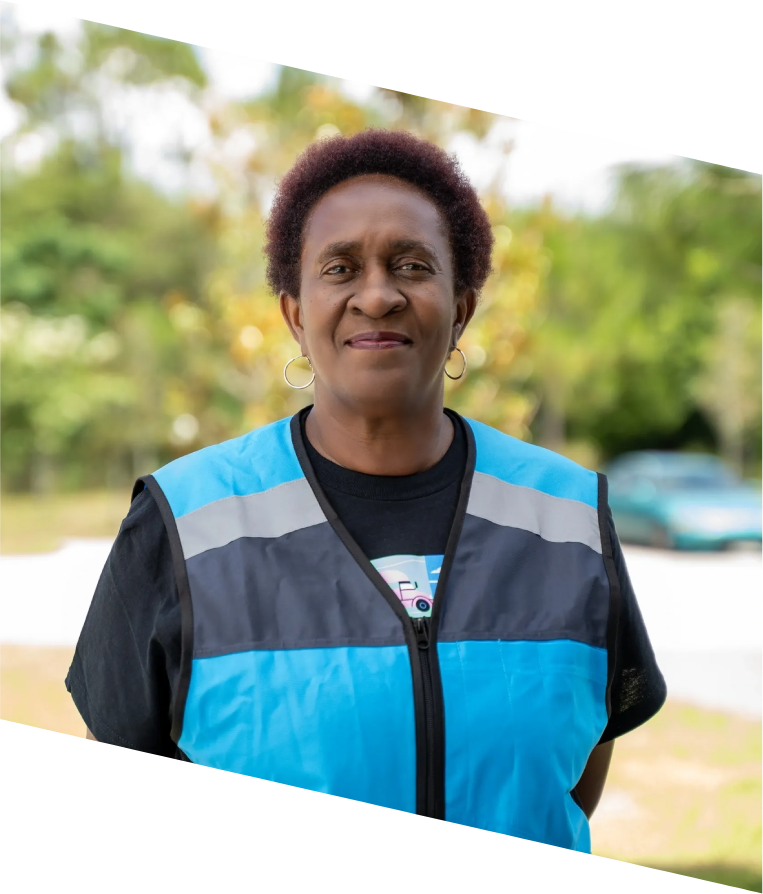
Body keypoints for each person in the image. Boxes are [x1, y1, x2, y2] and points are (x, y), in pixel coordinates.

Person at [66, 129, 666, 850]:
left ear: (461, 307)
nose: (376, 295)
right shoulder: (180, 518)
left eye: (411, 265)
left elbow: (570, 777)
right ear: (294, 313)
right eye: (340, 267)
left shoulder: (568, 514)